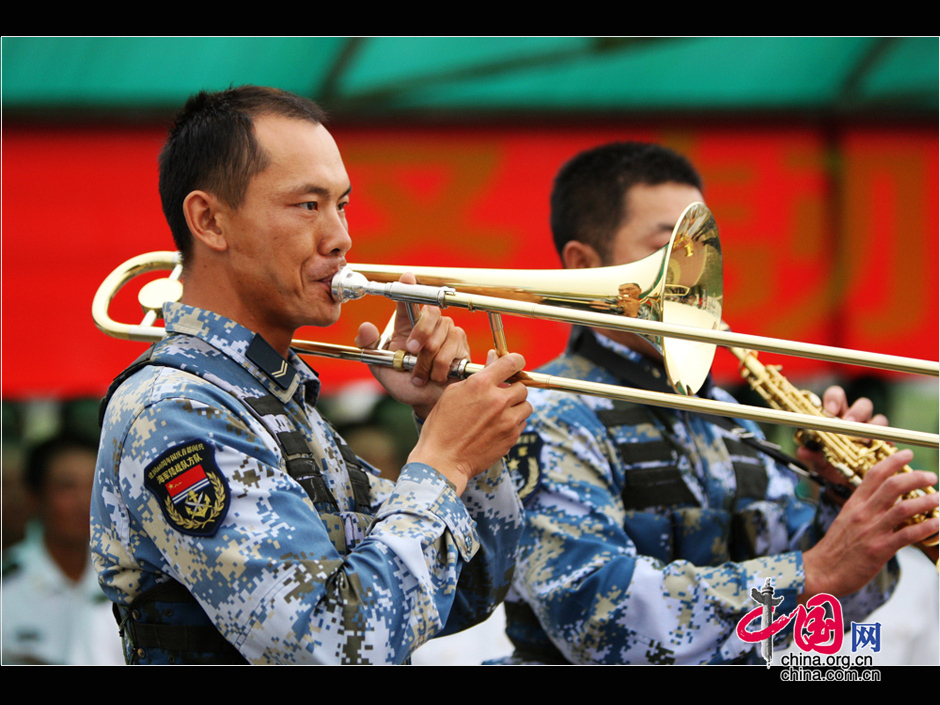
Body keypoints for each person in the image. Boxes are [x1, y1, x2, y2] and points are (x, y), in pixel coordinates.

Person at [91, 86, 531, 665]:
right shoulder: (177, 408)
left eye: (341, 205)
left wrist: (457, 441)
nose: (341, 237)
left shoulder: (270, 397)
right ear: (209, 220)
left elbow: (470, 592)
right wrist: (442, 460)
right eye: (308, 205)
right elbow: (329, 648)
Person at [500, 142, 940, 664]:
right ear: (583, 264)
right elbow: (597, 620)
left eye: (704, 250)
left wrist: (845, 508)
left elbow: (816, 619)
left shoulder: (726, 414)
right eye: (670, 248)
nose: (698, 274)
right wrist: (812, 571)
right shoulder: (546, 415)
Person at [2, 433, 124, 664]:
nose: (83, 502)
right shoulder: (7, 585)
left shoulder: (127, 579)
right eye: (67, 487)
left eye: (94, 485)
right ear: (35, 496)